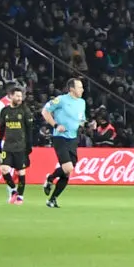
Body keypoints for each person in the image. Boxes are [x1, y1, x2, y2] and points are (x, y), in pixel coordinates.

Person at [39, 79, 87, 209]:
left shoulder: (82, 102)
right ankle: (50, 178)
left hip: (73, 139)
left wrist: (84, 125)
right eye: (80, 87)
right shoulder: (61, 100)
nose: (82, 90)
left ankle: (52, 199)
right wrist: (55, 125)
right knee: (68, 168)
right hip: (60, 138)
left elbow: (81, 119)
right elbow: (45, 111)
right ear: (71, 89)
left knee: (67, 173)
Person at [0, 87, 31, 204]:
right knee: (4, 169)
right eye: (17, 96)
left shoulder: (25, 111)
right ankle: (14, 190)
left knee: (21, 172)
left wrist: (29, 146)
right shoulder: (4, 111)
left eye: (21, 96)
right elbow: (2, 128)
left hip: (20, 146)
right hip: (8, 146)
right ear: (11, 96)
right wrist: (0, 143)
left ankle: (20, 196)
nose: (20, 98)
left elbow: (29, 129)